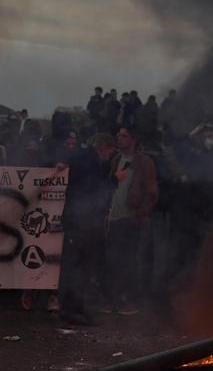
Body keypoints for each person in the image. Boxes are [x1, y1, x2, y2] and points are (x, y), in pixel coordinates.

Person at [57, 133, 116, 326]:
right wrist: (115, 180)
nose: (110, 156)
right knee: (76, 266)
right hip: (80, 222)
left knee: (83, 267)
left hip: (87, 222)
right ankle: (69, 308)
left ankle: (77, 306)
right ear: (104, 147)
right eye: (110, 151)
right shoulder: (87, 161)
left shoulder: (87, 159)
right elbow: (93, 190)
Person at [104, 126, 158, 315]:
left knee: (130, 261)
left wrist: (139, 215)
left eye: (124, 136)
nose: (119, 138)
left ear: (133, 140)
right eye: (118, 135)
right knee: (113, 259)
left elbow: (151, 193)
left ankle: (129, 300)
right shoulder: (116, 159)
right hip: (114, 217)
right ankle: (113, 299)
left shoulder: (144, 162)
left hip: (131, 218)